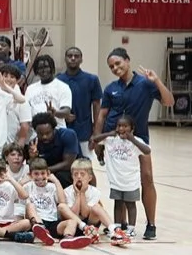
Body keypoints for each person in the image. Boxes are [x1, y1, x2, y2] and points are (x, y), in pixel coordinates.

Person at [94, 48, 173, 240]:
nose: (115, 68)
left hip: (139, 139)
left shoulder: (146, 84)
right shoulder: (111, 87)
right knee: (118, 182)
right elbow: (102, 114)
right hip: (113, 140)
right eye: (111, 66)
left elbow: (169, 102)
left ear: (127, 61)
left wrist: (157, 81)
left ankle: (151, 223)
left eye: (118, 63)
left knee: (147, 178)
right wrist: (98, 140)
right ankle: (120, 225)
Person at [91, 115, 149, 242]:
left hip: (130, 181)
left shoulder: (136, 141)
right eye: (119, 126)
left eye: (125, 126)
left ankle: (131, 228)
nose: (121, 128)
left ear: (132, 128)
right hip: (115, 181)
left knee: (130, 205)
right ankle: (117, 228)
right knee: (118, 204)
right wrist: (108, 134)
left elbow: (147, 150)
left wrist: (133, 139)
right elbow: (94, 139)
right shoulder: (110, 140)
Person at [56, 47, 102, 157]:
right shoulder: (57, 80)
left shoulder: (92, 79)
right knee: (65, 165)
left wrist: (96, 132)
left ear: (81, 60)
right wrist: (63, 114)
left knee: (85, 166)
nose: (73, 58)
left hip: (84, 131)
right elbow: (54, 104)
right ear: (65, 59)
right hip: (62, 129)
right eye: (70, 56)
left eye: (76, 56)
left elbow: (96, 106)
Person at [29, 113, 79, 188]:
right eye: (40, 134)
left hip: (72, 170)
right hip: (50, 173)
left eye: (47, 133)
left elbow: (68, 164)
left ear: (54, 129)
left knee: (61, 176)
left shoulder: (67, 135)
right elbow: (35, 167)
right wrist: (33, 157)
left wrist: (44, 171)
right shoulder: (34, 143)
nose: (44, 136)